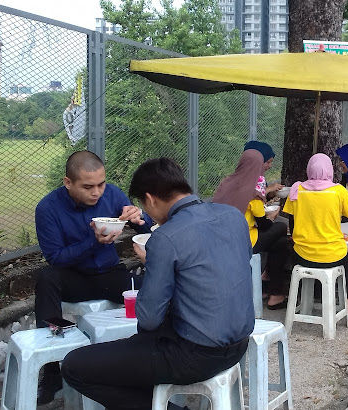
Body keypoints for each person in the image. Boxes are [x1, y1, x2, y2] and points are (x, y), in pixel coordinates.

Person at [62, 158, 254, 410]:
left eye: (144, 205)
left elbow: (149, 318)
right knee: (137, 349)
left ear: (150, 199)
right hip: (240, 345)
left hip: (194, 356)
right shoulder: (232, 216)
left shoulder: (165, 238)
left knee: (75, 366)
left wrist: (154, 261)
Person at [33, 150, 153, 404]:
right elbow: (56, 258)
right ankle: (52, 367)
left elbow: (147, 225)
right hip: (73, 278)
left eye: (100, 184)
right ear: (68, 182)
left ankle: (153, 356)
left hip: (110, 275)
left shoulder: (111, 194)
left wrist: (139, 219)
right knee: (46, 279)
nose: (96, 192)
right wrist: (94, 241)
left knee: (155, 287)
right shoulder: (48, 208)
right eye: (88, 187)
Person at [283, 153, 348, 321]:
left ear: (309, 169)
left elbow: (292, 221)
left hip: (303, 255)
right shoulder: (338, 191)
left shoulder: (297, 189)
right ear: (330, 170)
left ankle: (299, 301)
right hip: (333, 255)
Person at [212, 149, 290, 310]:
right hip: (244, 242)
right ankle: (274, 292)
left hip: (220, 239)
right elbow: (264, 225)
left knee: (280, 244)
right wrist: (273, 217)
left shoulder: (226, 183)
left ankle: (269, 290)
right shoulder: (253, 190)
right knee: (281, 228)